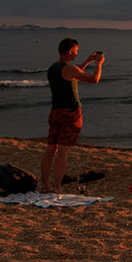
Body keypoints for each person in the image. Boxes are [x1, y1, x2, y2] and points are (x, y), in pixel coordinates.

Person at [39, 37, 104, 193]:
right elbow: (94, 79)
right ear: (69, 51)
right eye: (75, 51)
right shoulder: (70, 69)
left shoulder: (53, 68)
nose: (76, 54)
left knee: (50, 149)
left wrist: (87, 60)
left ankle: (45, 186)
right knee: (63, 150)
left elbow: (74, 73)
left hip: (55, 112)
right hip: (70, 113)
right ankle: (57, 187)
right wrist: (99, 64)